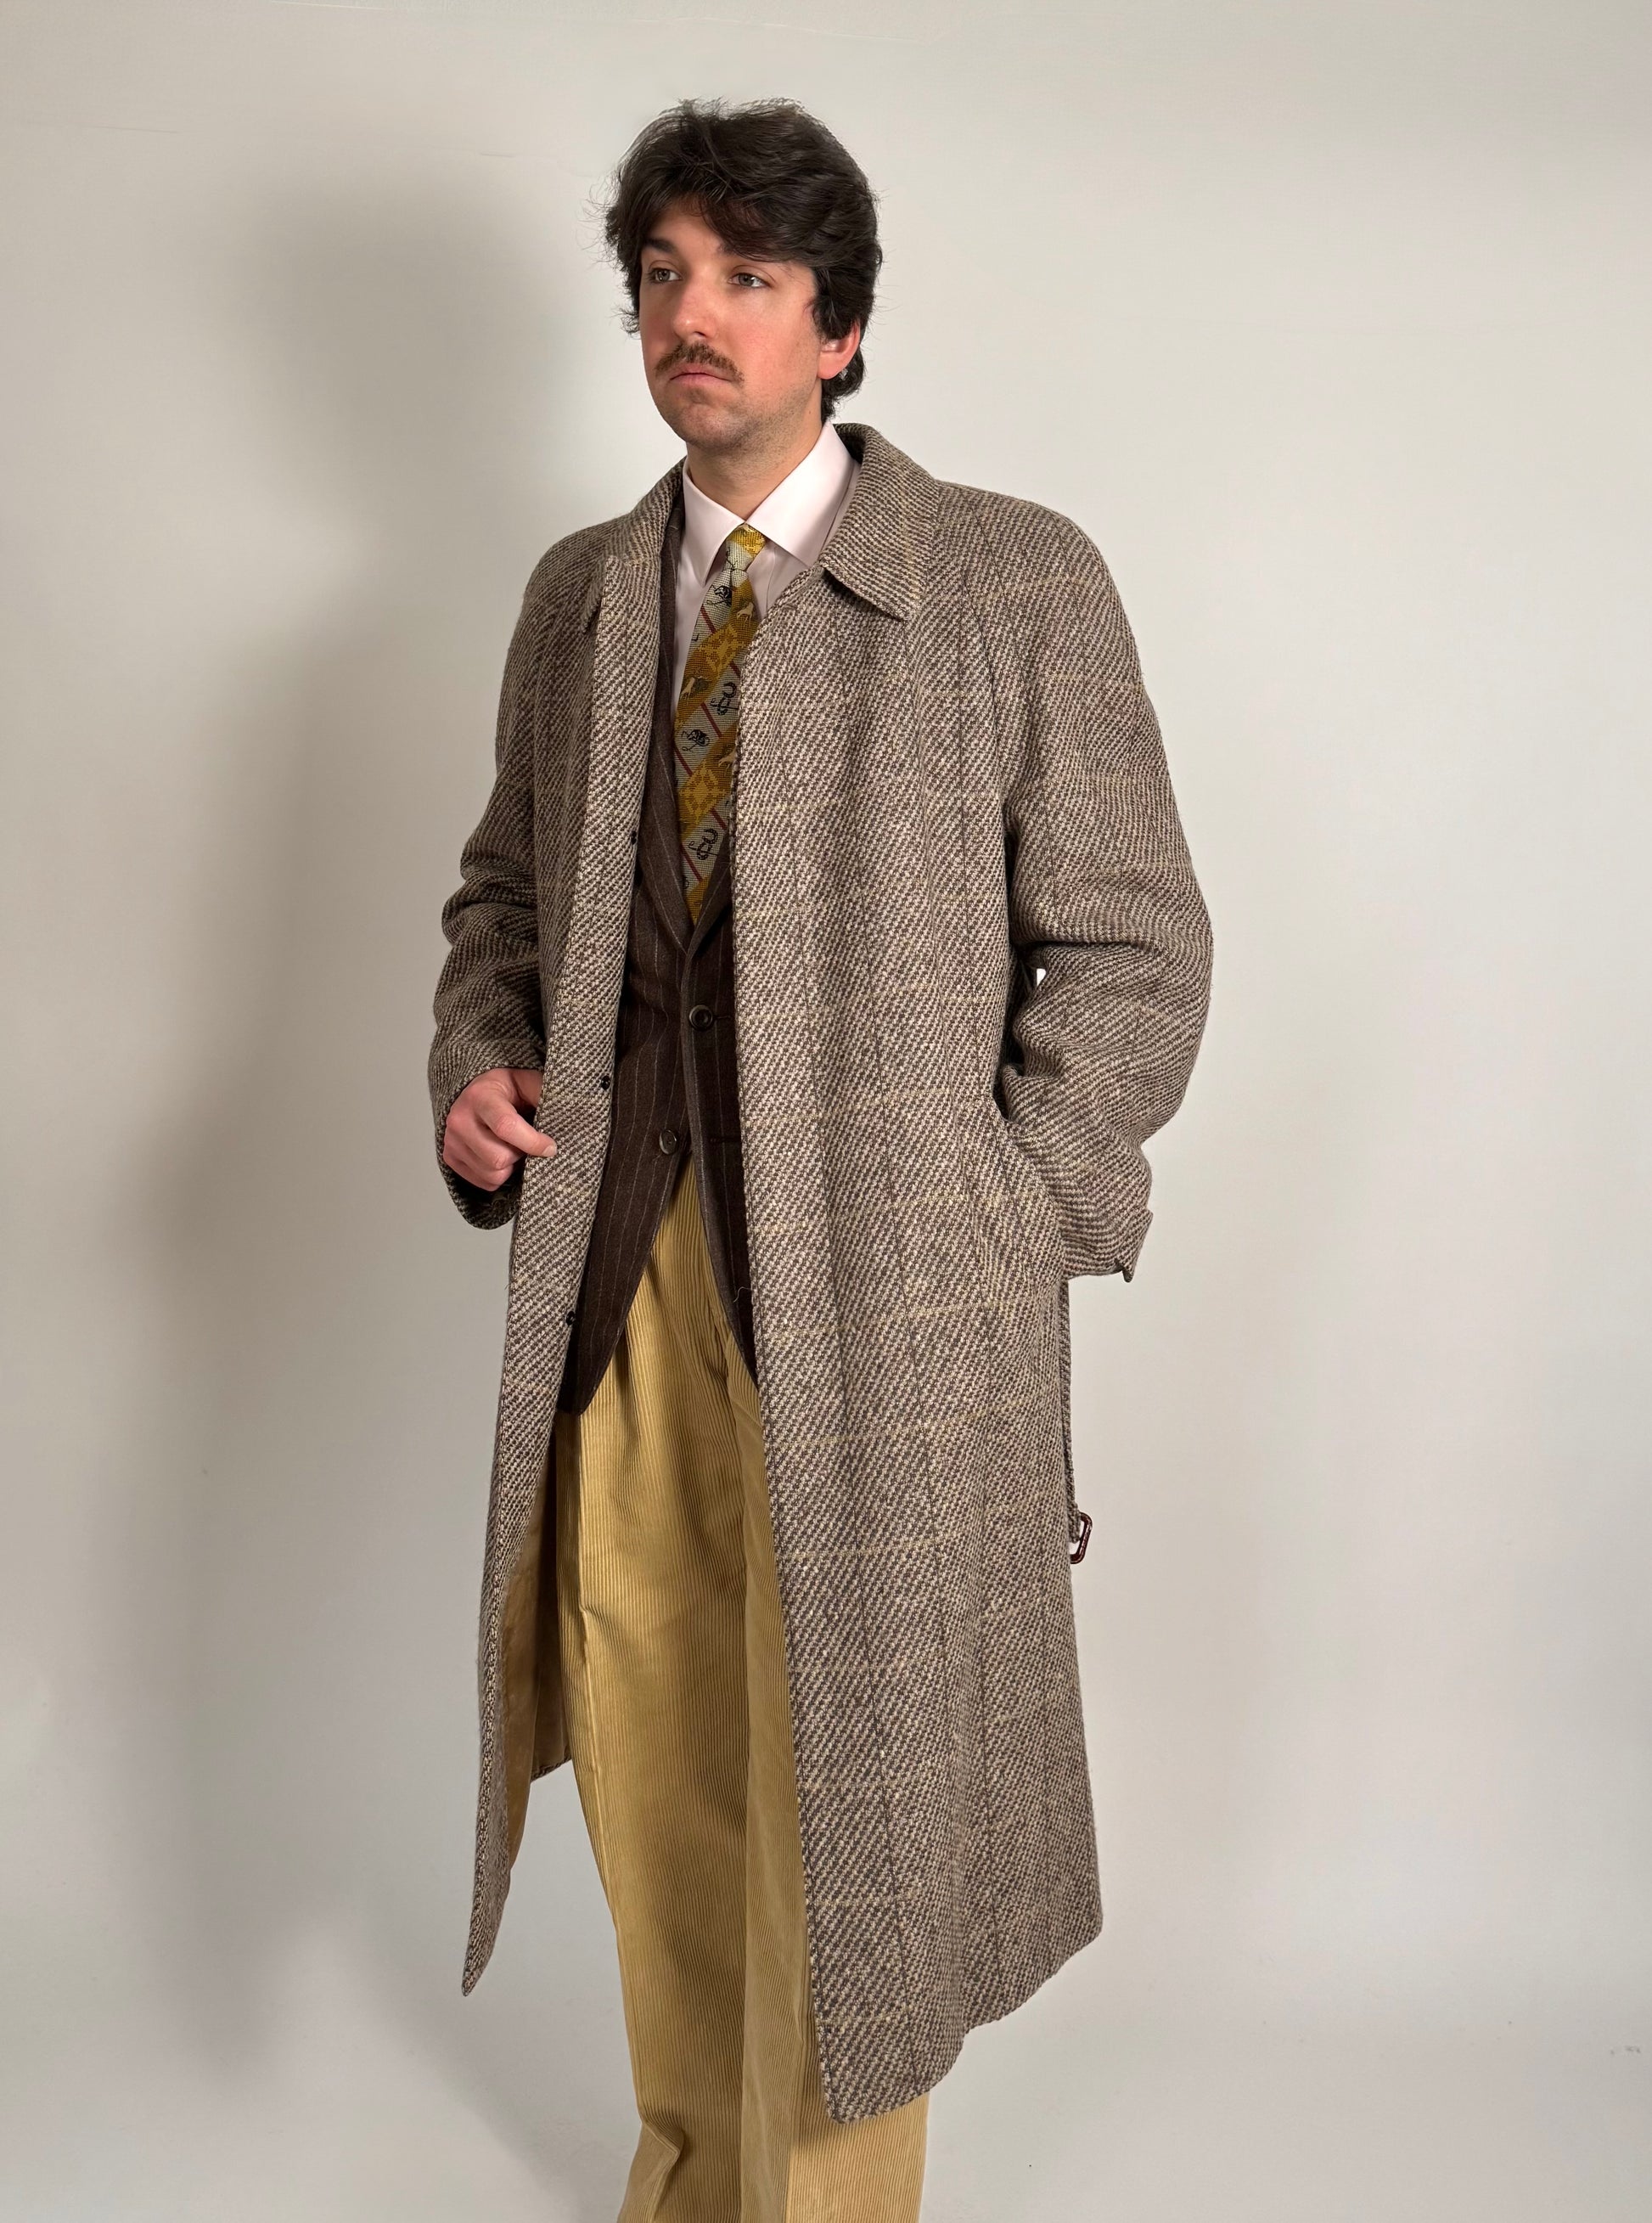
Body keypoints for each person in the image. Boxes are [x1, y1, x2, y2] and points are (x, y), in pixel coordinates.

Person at [429, 95, 1212, 2223]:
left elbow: (1134, 941)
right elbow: (504, 898)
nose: (692, 316)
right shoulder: (585, 600)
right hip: (621, 1275)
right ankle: (693, 2190)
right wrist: (481, 1063)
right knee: (664, 1759)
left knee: (864, 1801)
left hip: (888, 1296)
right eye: (662, 278)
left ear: (839, 328)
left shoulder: (1008, 578)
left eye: (747, 279)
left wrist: (1008, 1206)